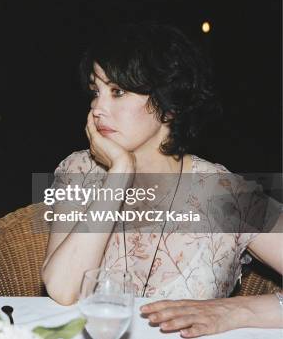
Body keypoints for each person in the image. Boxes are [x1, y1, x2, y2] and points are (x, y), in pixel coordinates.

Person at [41, 22, 283, 337]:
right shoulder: (79, 173)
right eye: (95, 92)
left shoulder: (225, 196)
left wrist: (236, 310)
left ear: (168, 106)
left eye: (117, 92)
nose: (97, 108)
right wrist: (118, 175)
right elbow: (63, 290)